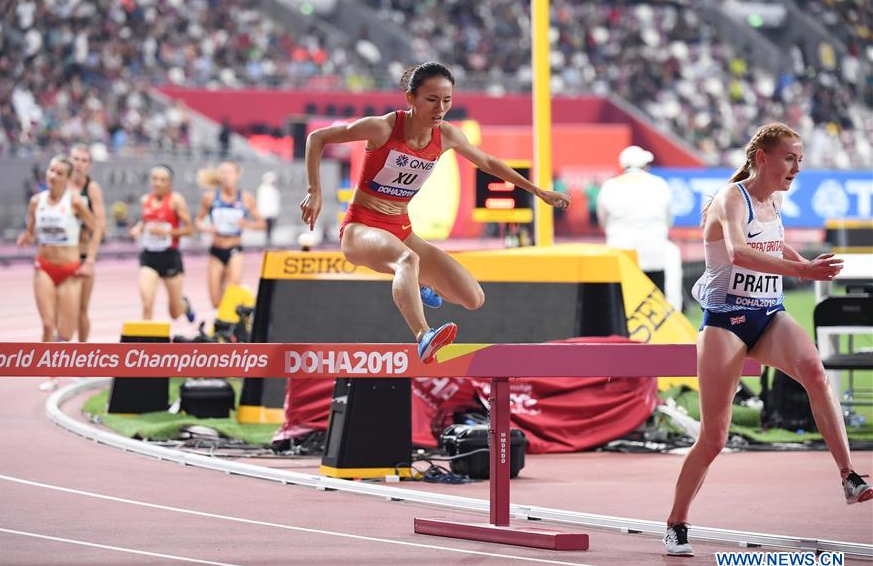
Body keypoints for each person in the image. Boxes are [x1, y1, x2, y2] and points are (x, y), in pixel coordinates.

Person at [663, 123, 871, 557]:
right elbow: (738, 252)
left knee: (815, 372)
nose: (796, 168)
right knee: (714, 438)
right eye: (789, 158)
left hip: (768, 315)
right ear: (763, 158)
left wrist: (803, 260)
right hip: (726, 322)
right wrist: (802, 273)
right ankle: (677, 521)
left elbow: (776, 247)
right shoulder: (729, 199)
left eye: (800, 160)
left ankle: (849, 476)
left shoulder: (773, 201)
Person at [301, 62, 571, 363]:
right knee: (407, 259)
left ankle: (418, 283)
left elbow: (489, 163)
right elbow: (317, 138)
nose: (440, 108)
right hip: (360, 229)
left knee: (472, 298)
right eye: (431, 100)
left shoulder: (447, 136)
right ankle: (423, 336)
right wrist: (315, 190)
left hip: (401, 230)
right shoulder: (383, 127)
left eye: (447, 100)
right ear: (411, 99)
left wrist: (537, 191)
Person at [16, 156, 100, 390]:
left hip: (70, 270)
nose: (52, 176)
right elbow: (31, 231)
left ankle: (59, 352)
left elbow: (97, 230)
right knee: (47, 323)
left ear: (67, 178)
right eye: (51, 171)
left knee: (66, 331)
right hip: (44, 267)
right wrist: (26, 237)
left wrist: (90, 260)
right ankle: (50, 375)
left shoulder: (74, 202)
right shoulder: (36, 201)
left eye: (59, 173)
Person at [597, 145, 672, 294]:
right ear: (645, 165)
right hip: (654, 256)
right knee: (653, 309)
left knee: (622, 308)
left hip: (621, 255)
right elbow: (668, 219)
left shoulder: (610, 186)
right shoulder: (660, 184)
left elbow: (603, 221)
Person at [129, 165, 195, 322]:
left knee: (174, 312)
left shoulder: (175, 201)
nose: (157, 183)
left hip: (170, 257)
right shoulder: (145, 200)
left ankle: (184, 305)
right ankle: (146, 344)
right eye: (155, 179)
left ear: (169, 183)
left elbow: (189, 230)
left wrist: (166, 232)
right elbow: (145, 222)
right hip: (149, 257)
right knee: (147, 304)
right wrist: (138, 229)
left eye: (162, 180)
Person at [196, 161, 265, 309]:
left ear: (237, 175)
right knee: (215, 301)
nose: (226, 176)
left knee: (231, 292)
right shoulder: (210, 197)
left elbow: (261, 224)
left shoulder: (246, 198)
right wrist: (207, 228)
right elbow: (198, 221)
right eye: (223, 172)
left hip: (235, 250)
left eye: (229, 172)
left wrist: (247, 224)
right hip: (216, 251)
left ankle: (230, 326)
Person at [67, 143, 106, 342]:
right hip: (61, 256)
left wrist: (90, 260)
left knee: (81, 309)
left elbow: (101, 227)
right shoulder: (60, 184)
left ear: (89, 165)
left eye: (83, 161)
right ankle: (55, 355)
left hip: (82, 256)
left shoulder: (92, 188)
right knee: (62, 309)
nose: (79, 164)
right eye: (75, 159)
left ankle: (82, 356)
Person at [256, 171, 282, 246]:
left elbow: (275, 203)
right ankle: (265, 243)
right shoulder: (263, 190)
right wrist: (261, 213)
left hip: (272, 214)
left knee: (271, 229)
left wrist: (275, 213)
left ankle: (269, 242)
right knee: (265, 229)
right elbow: (262, 203)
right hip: (265, 214)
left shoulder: (274, 191)